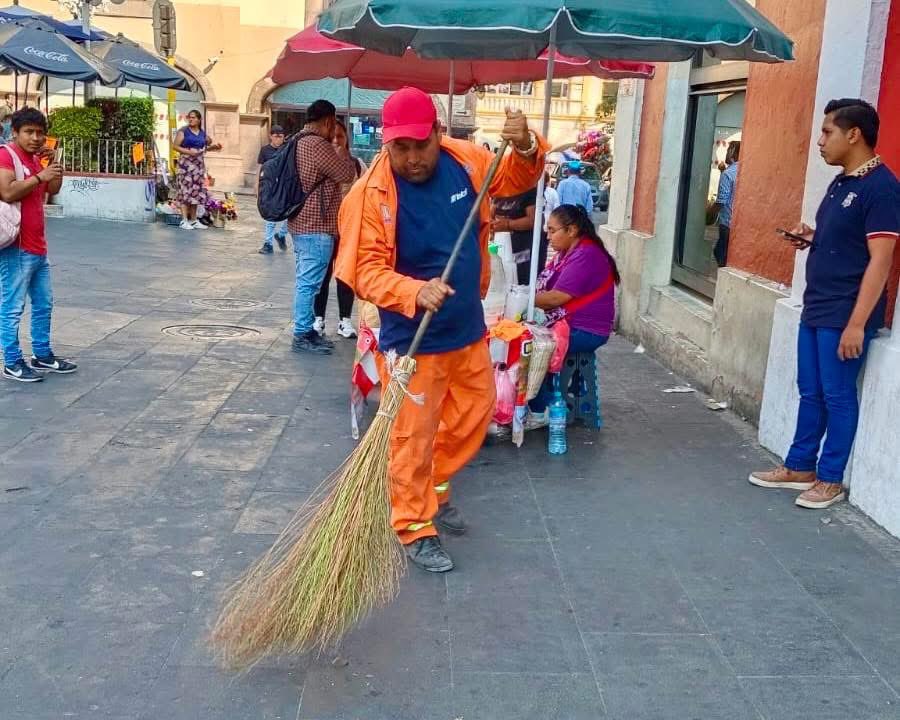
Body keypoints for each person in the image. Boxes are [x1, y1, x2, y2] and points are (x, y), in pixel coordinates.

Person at [336, 87, 546, 573]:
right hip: (412, 342)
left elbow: (513, 177)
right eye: (400, 148)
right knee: (412, 435)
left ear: (437, 133)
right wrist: (412, 292)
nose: (411, 159)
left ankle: (433, 487)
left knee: (473, 415)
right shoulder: (368, 195)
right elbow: (363, 270)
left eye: (419, 145)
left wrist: (526, 146)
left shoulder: (467, 160)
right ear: (387, 144)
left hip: (466, 327)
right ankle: (413, 525)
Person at [750, 98, 899, 510]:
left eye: (827, 132)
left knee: (837, 394)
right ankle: (800, 466)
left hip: (846, 311)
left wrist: (857, 324)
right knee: (810, 390)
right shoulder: (841, 183)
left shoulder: (883, 189)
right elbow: (847, 243)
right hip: (818, 305)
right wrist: (811, 236)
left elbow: (881, 260)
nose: (820, 141)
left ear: (854, 135)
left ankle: (830, 479)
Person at [526, 204, 619, 427]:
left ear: (572, 230)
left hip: (586, 330)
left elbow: (557, 298)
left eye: (552, 230)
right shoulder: (567, 254)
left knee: (533, 348)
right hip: (570, 323)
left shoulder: (586, 254)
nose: (548, 236)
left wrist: (521, 299)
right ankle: (560, 400)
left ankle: (541, 410)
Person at [0, 108, 75, 383]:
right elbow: (7, 191)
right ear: (15, 132)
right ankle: (11, 361)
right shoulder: (6, 155)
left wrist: (53, 169)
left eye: (40, 133)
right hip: (16, 245)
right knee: (12, 307)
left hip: (37, 245)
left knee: (44, 303)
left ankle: (42, 354)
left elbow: (52, 190)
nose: (35, 138)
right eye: (29, 132)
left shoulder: (35, 159)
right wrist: (39, 177)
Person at [288, 100, 358, 355]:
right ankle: (302, 333)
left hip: (298, 222)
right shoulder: (318, 145)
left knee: (306, 281)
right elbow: (346, 173)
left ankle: (306, 330)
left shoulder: (295, 141)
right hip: (316, 224)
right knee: (309, 283)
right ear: (328, 121)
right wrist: (341, 152)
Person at [313, 118, 367, 339]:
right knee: (322, 274)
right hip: (324, 226)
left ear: (347, 140)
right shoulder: (319, 163)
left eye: (341, 136)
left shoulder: (357, 165)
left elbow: (368, 192)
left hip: (349, 229)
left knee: (345, 275)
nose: (336, 140)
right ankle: (318, 318)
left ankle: (345, 320)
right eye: (332, 136)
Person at [172, 109, 222, 231]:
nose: (191, 119)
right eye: (189, 117)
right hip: (186, 164)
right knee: (185, 191)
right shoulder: (183, 131)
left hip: (198, 165)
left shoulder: (202, 133)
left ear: (199, 120)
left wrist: (213, 147)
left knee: (195, 192)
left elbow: (204, 147)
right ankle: (184, 220)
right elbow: (175, 146)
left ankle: (194, 220)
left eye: (194, 117)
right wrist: (188, 152)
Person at [491, 183, 547, 285]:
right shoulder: (500, 189)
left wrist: (508, 224)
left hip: (525, 248)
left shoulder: (530, 190)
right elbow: (492, 211)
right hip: (503, 245)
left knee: (523, 283)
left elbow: (535, 220)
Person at [257, 125, 290, 254]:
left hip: (284, 185)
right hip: (269, 185)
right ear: (271, 136)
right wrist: (257, 187)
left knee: (289, 213)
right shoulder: (265, 150)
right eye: (276, 136)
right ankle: (268, 243)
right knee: (270, 216)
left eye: (280, 136)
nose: (278, 139)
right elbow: (259, 168)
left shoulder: (286, 149)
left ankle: (281, 234)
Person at [713, 141, 741, 267]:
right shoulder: (742, 171)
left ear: (733, 152)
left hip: (727, 223)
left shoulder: (728, 174)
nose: (726, 152)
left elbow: (721, 201)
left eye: (729, 148)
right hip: (738, 223)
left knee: (721, 255)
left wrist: (708, 214)